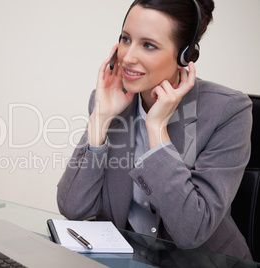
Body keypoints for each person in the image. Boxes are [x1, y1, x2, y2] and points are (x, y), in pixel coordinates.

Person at [57, 0, 253, 260]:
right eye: (126, 39)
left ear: (185, 55)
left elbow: (191, 231)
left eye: (148, 45)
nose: (127, 56)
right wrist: (100, 119)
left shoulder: (228, 110)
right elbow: (73, 207)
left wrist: (157, 129)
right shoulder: (111, 101)